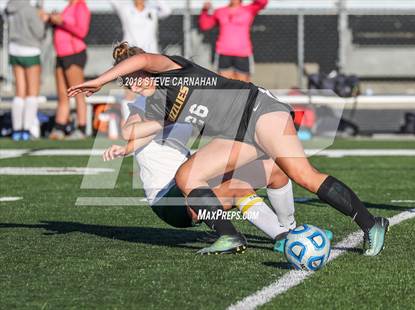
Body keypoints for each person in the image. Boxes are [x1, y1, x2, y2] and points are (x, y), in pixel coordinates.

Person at [68, 43, 388, 256]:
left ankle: (371, 223)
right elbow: (140, 130)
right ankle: (231, 235)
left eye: (133, 77)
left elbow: (140, 59)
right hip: (236, 136)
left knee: (302, 174)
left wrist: (101, 80)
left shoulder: (169, 68)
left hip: (258, 109)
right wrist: (124, 143)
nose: (133, 84)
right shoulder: (156, 104)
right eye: (127, 82)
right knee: (189, 175)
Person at [102, 97, 329, 254]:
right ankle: (283, 238)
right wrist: (165, 121)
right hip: (168, 199)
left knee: (274, 168)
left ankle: (290, 228)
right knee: (236, 187)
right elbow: (130, 131)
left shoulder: (181, 100)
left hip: (193, 180)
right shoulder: (144, 104)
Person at [109, 0, 172, 120]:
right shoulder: (125, 8)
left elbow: (167, 10)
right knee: (131, 90)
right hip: (131, 56)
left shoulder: (152, 9)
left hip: (150, 56)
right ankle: (128, 123)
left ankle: (150, 121)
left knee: (153, 89)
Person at [47, 0, 91, 140]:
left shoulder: (81, 6)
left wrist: (62, 22)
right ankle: (60, 127)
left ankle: (81, 127)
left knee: (78, 92)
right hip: (60, 54)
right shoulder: (68, 6)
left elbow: (82, 31)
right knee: (62, 94)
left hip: (74, 54)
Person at [5, 0, 46, 141]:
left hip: (14, 50)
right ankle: (26, 129)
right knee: (32, 92)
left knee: (19, 92)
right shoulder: (29, 9)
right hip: (30, 50)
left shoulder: (9, 8)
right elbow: (39, 32)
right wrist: (42, 19)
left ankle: (17, 130)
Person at [199, 0, 268, 82]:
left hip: (243, 53)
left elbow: (263, 2)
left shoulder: (249, 9)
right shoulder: (220, 11)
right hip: (224, 53)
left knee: (243, 86)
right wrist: (205, 10)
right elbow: (205, 25)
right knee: (225, 85)